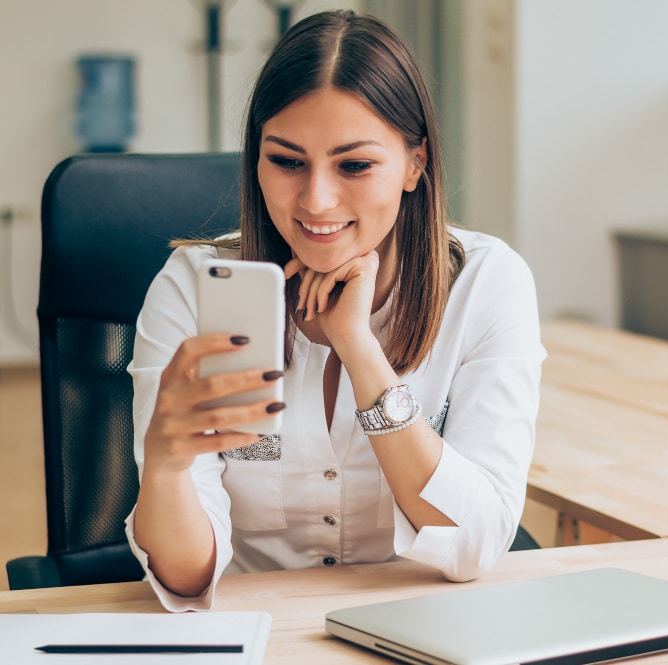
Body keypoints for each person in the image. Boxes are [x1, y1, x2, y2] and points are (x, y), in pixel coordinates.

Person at [124, 9, 544, 612]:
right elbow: (187, 583)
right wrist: (164, 470)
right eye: (287, 161)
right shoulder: (192, 290)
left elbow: (475, 544)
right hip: (259, 630)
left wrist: (359, 348)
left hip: (424, 625)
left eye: (354, 164)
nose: (316, 200)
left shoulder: (487, 282)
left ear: (415, 163)